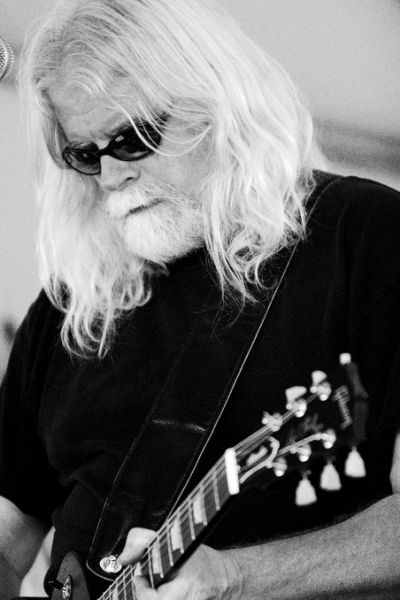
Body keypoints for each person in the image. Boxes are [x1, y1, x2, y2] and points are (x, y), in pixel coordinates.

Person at [1, 0, 400, 598]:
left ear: (214, 104)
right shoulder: (73, 304)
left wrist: (237, 577)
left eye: (132, 138)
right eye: (85, 154)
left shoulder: (364, 237)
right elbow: (9, 528)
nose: (109, 177)